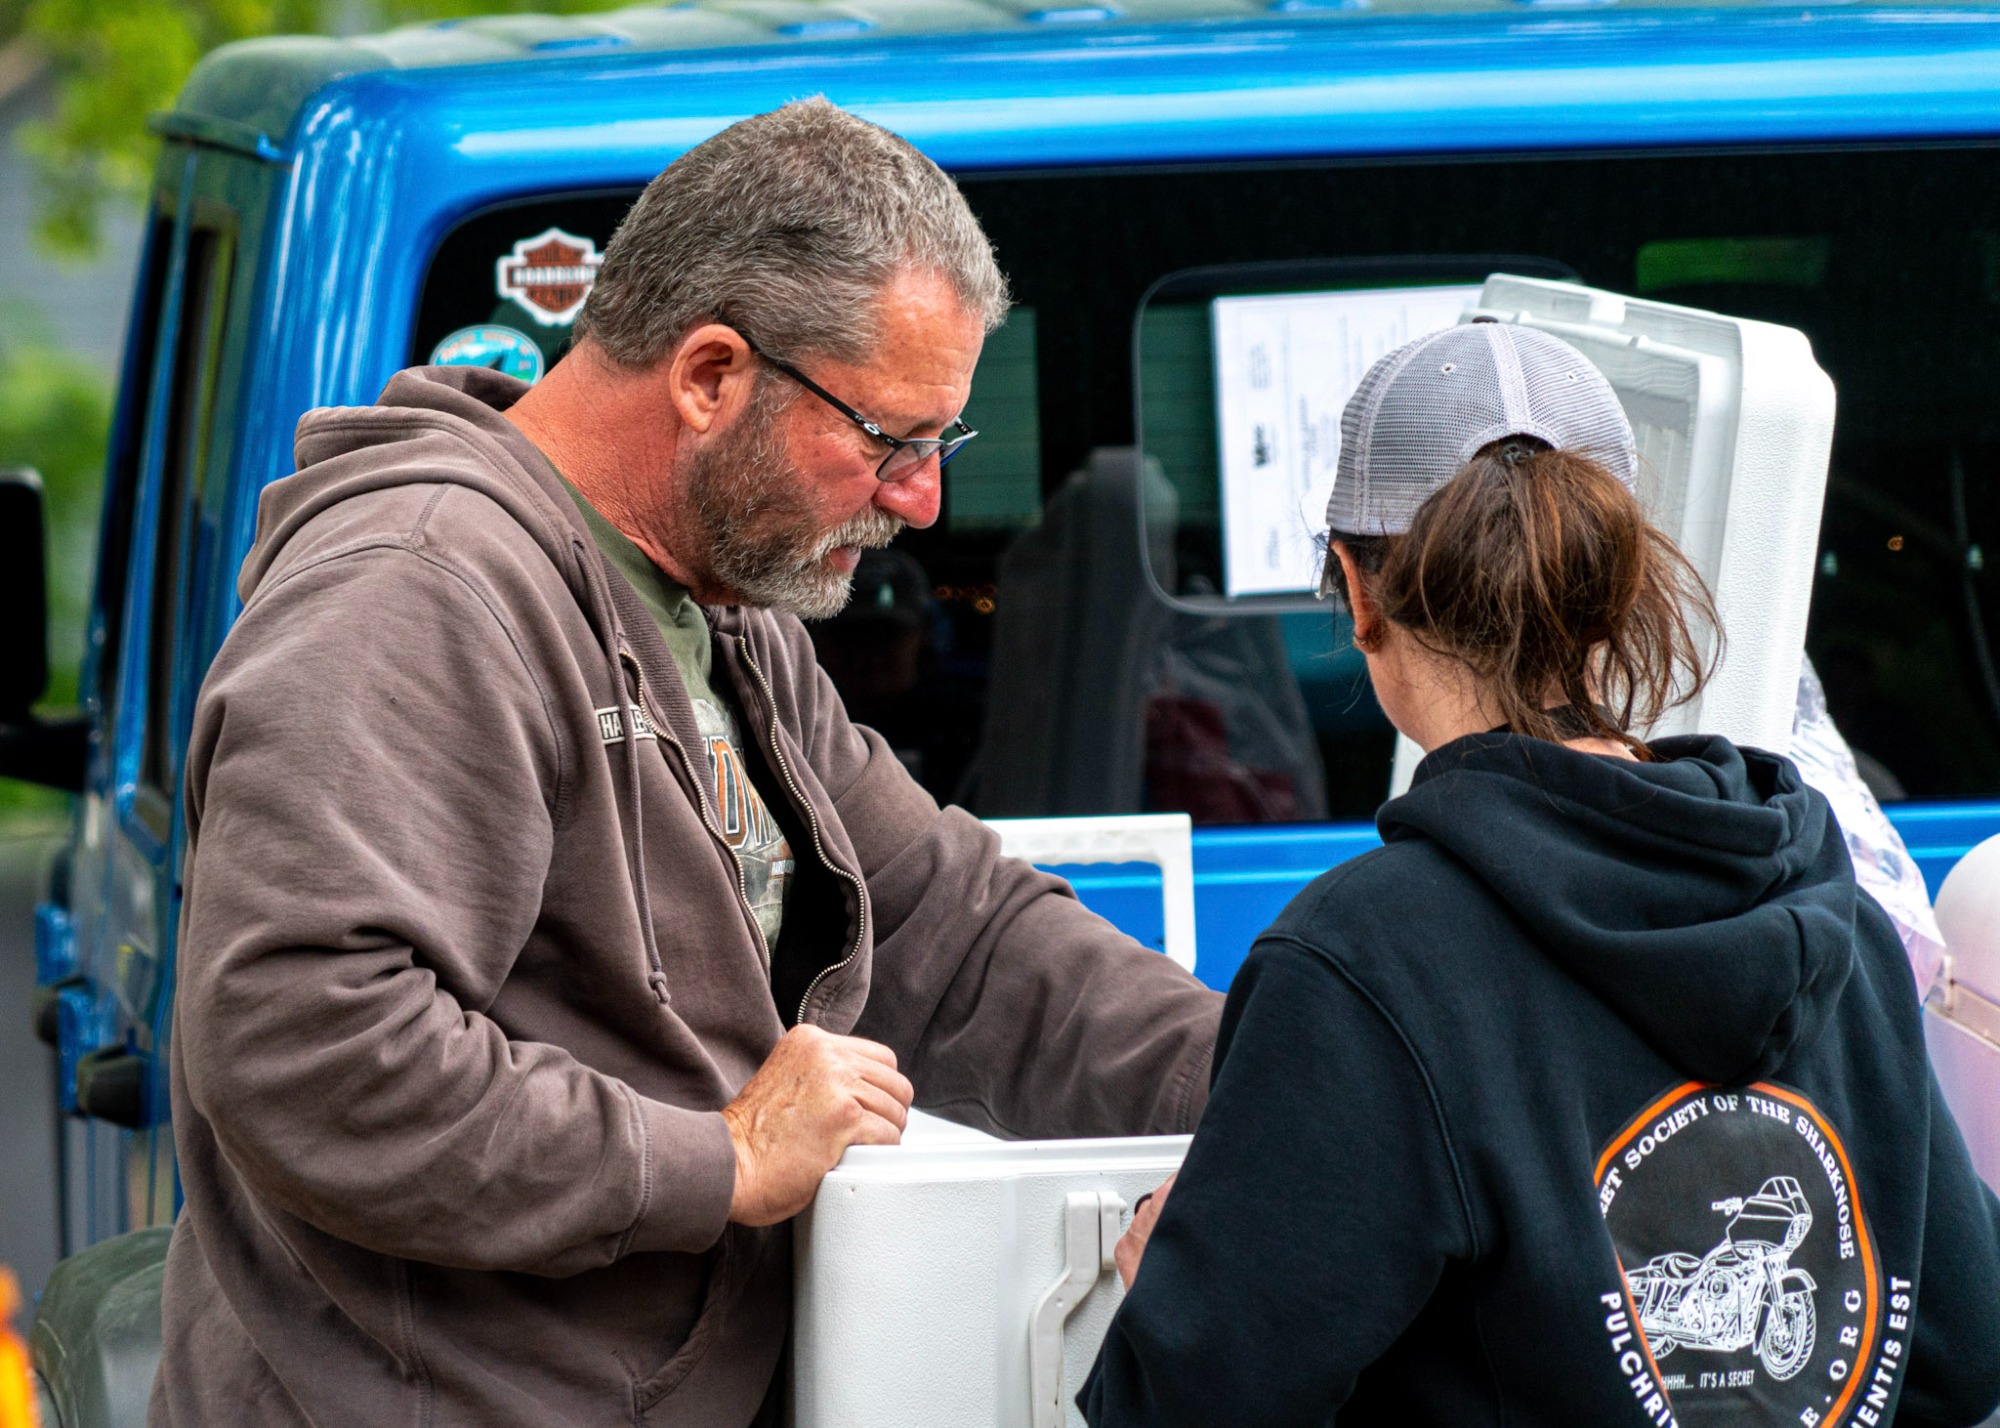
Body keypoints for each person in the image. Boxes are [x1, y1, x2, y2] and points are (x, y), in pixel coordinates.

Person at [153, 99, 1221, 1428]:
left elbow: (951, 930)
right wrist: (712, 1159)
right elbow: (305, 1042)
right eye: (888, 440)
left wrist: (1280, 1088)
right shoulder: (416, 594)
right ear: (711, 374)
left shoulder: (719, 608)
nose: (922, 500)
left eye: (941, 444)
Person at [1082, 322, 2000, 1427]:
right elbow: (1959, 1350)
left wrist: (1169, 1298)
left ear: (1356, 590)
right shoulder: (1835, 917)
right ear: (1617, 586)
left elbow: (1196, 1403)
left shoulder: (1361, 964)